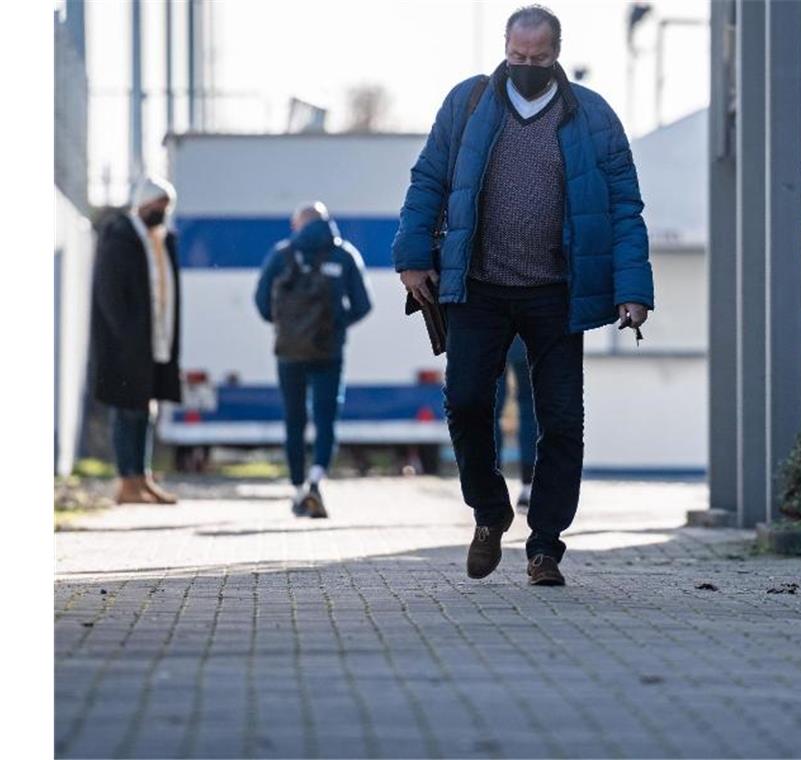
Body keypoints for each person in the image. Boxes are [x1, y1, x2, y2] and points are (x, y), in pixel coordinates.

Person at [392, 5, 654, 586]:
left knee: (561, 421)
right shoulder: (469, 103)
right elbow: (428, 179)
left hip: (557, 292)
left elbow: (623, 206)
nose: (527, 66)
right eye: (518, 56)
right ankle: (489, 512)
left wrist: (632, 289)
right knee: (464, 402)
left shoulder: (591, 115)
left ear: (557, 53)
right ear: (505, 48)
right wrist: (412, 257)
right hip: (477, 287)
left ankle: (545, 548)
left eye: (538, 58)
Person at [254, 202, 372, 518]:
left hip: (289, 351)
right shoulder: (344, 254)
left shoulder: (281, 255)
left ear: (299, 225)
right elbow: (363, 305)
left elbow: (262, 303)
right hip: (328, 351)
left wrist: (288, 326)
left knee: (294, 419)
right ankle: (316, 480)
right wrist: (335, 325)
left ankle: (296, 489)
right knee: (325, 418)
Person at [90, 176, 183, 505]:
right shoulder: (120, 237)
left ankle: (141, 477)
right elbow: (109, 295)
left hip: (155, 337)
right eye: (159, 206)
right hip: (125, 343)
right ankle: (126, 480)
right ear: (145, 204)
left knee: (146, 410)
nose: (163, 213)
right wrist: (127, 338)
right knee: (127, 409)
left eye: (167, 208)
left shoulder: (160, 238)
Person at [494, 337, 537, 513]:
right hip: (526, 331)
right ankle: (529, 485)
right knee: (529, 406)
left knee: (492, 406)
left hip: (492, 327)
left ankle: (492, 484)